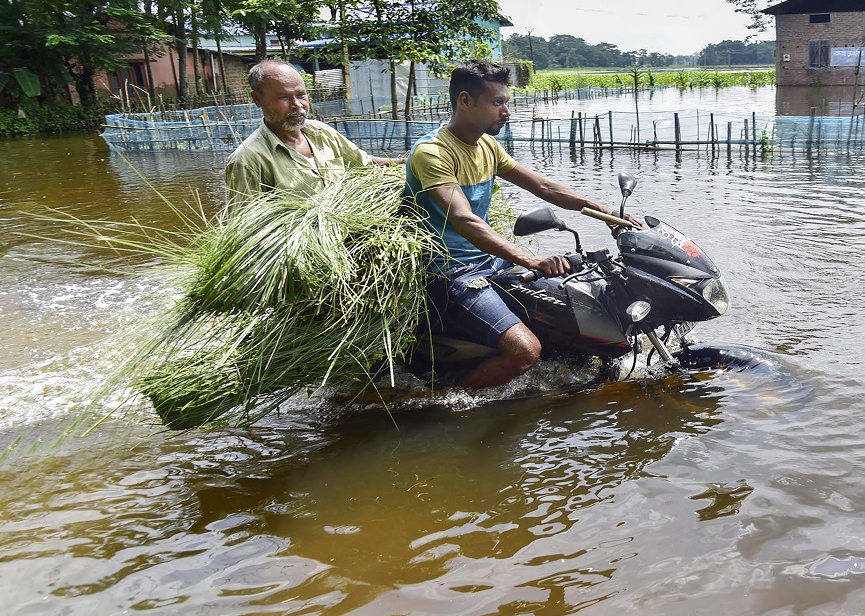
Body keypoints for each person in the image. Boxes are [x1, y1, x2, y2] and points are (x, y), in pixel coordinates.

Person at [405, 60, 633, 390]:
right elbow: (464, 219)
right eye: (497, 102)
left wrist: (608, 214)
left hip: (488, 260)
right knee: (524, 352)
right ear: (465, 101)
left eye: (507, 102)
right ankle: (444, 405)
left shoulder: (486, 145)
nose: (507, 111)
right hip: (451, 272)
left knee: (573, 306)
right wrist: (531, 260)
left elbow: (545, 187)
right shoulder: (433, 153)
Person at [224, 60, 402, 211]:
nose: (297, 105)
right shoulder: (248, 160)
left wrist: (405, 162)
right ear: (257, 100)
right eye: (284, 98)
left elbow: (364, 163)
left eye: (301, 95)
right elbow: (245, 227)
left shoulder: (322, 133)